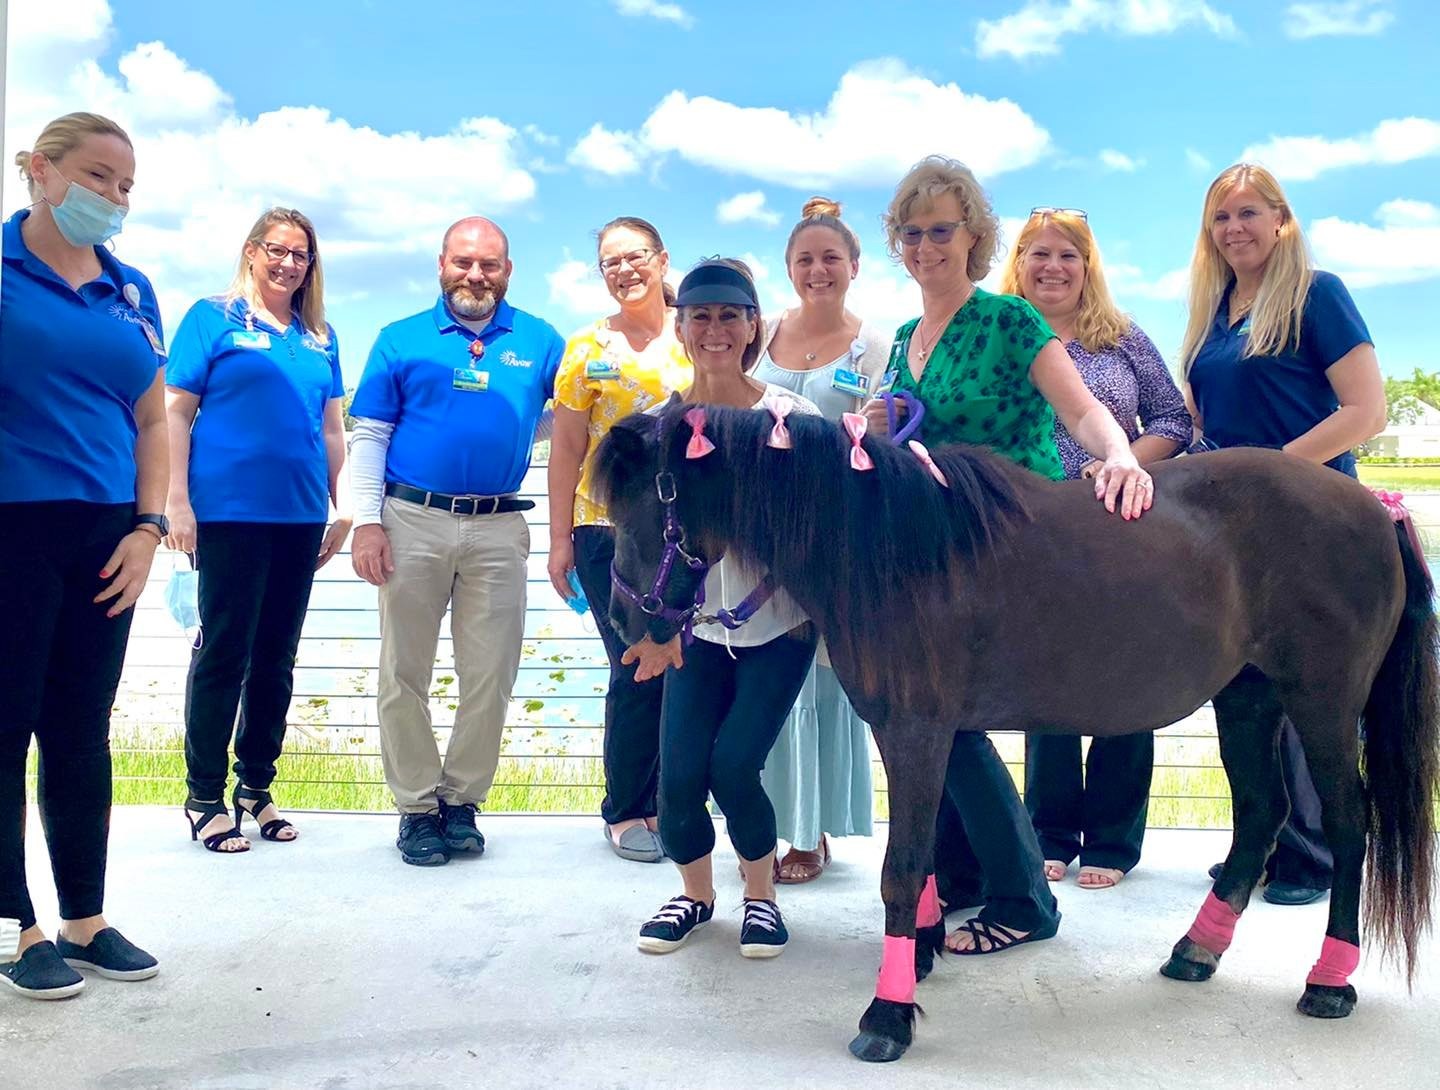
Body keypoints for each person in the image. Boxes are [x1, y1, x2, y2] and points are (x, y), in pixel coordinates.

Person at [870, 156, 1153, 955]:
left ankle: (1024, 898)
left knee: (942, 721)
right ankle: (964, 879)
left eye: (942, 231)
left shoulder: (1010, 321)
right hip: (932, 555)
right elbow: (903, 432)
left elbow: (1084, 407)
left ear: (975, 238)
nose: (928, 246)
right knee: (933, 721)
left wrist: (1120, 456)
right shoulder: (903, 338)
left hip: (1012, 544)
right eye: (913, 233)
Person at [1180, 163, 1386, 906]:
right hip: (1234, 534)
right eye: (1221, 218)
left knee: (1310, 697)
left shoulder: (1318, 294)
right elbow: (1204, 423)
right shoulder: (1216, 312)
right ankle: (1258, 844)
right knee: (1240, 694)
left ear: (1281, 220)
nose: (1234, 229)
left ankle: (1315, 853)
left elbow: (1366, 411)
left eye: (1248, 213)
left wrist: (1270, 474)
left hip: (1311, 526)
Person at [0, 112, 164, 998]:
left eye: (125, 186)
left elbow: (148, 419)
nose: (112, 197)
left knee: (78, 731)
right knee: (3, 727)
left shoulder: (131, 291)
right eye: (97, 176)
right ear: (39, 171)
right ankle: (13, 927)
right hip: (12, 530)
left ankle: (85, 920)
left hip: (108, 537)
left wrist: (146, 529)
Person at [349, 217, 564, 866]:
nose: (476, 275)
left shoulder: (541, 341)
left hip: (500, 526)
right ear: (442, 263)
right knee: (403, 672)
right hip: (412, 518)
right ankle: (417, 808)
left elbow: (566, 420)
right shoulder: (400, 339)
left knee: (491, 672)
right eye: (464, 262)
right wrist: (365, 521)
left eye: (490, 265)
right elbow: (369, 435)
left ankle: (462, 803)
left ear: (508, 271)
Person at [623, 260, 821, 959]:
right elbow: (640, 545)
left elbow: (822, 525)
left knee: (735, 764)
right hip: (695, 632)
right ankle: (695, 894)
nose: (715, 329)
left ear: (752, 327)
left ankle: (761, 900)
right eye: (701, 316)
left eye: (730, 316)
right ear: (680, 329)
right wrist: (650, 631)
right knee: (677, 775)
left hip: (780, 626)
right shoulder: (653, 428)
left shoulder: (790, 419)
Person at [997, 208, 1192, 889]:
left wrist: (1121, 463)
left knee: (1125, 675)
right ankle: (1049, 831)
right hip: (1032, 533)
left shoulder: (1122, 336)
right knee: (1044, 680)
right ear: (1018, 262)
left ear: (1088, 266)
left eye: (1067, 256)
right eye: (1038, 254)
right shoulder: (1000, 332)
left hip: (1120, 528)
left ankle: (1112, 840)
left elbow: (1174, 418)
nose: (1052, 267)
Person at [165, 208, 350, 854]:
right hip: (227, 514)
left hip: (299, 517)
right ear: (251, 252)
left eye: (301, 254)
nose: (289, 263)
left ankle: (256, 788)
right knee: (224, 653)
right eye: (277, 250)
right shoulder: (212, 318)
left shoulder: (320, 335)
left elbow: (332, 431)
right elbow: (175, 413)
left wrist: (344, 507)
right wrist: (174, 502)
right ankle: (203, 797)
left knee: (275, 660)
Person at [753, 197, 890, 884]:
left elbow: (886, 436)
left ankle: (812, 830)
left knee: (825, 680)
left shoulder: (877, 348)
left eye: (831, 257)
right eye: (805, 258)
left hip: (838, 540)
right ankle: (772, 820)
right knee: (769, 674)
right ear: (788, 268)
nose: (818, 269)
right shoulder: (762, 333)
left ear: (854, 266)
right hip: (764, 538)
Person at [547, 217, 691, 864]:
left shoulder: (697, 333)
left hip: (688, 534)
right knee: (636, 663)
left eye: (635, 257)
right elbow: (566, 447)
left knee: (685, 668)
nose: (625, 270)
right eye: (611, 262)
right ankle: (627, 809)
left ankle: (670, 800)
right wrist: (558, 541)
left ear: (661, 260)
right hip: (605, 530)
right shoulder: (586, 348)